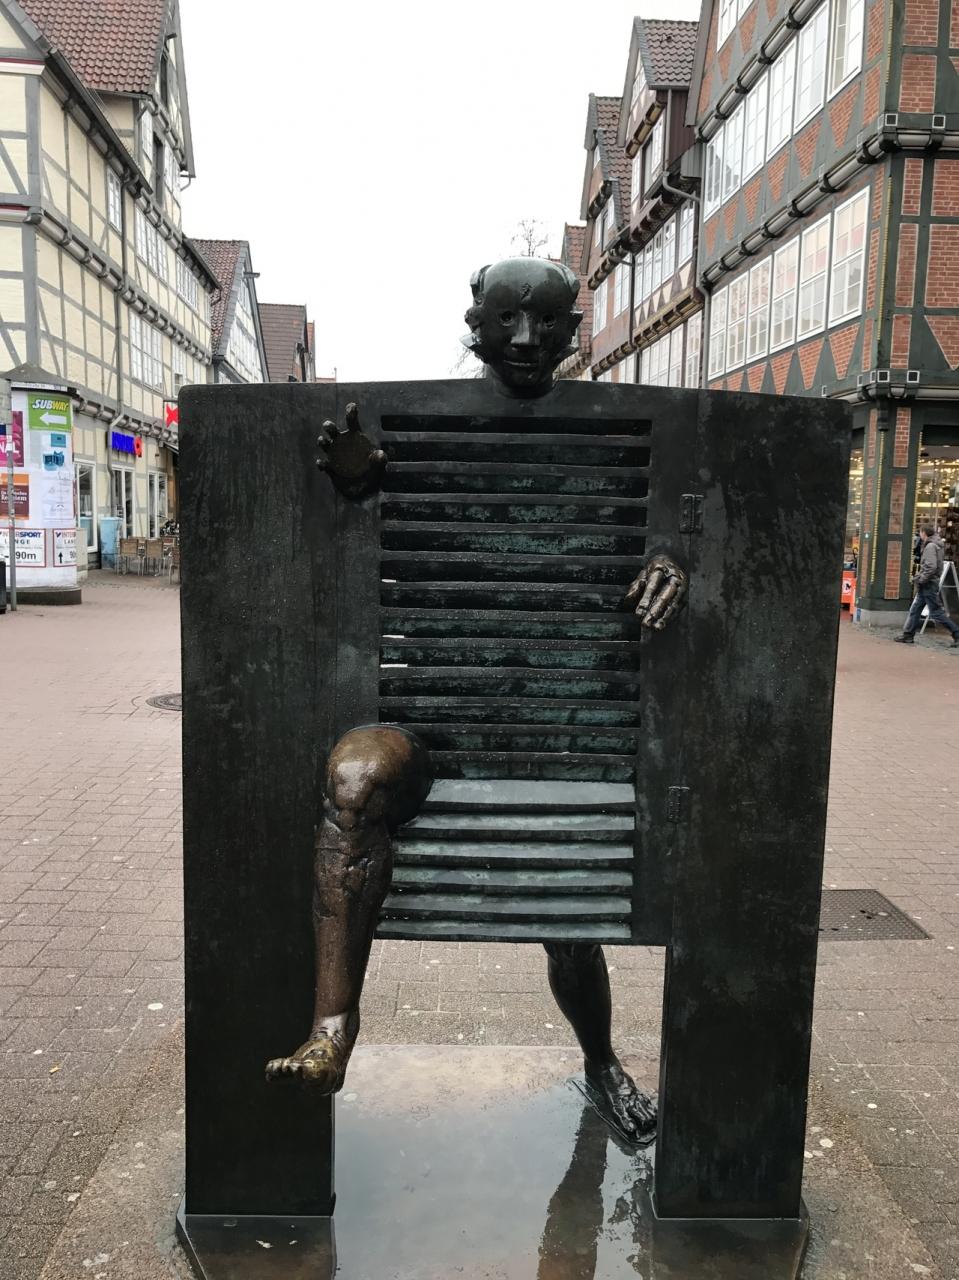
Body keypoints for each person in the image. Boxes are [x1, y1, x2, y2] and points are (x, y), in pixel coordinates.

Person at [267, 258, 688, 1143]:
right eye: (507, 320)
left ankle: (601, 1061)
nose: (526, 340)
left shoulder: (612, 442)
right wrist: (358, 486)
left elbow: (679, 518)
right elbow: (352, 510)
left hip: (557, 734)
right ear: (477, 323)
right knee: (353, 780)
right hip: (424, 728)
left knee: (569, 921)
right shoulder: (417, 437)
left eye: (545, 322)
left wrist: (672, 562)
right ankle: (332, 1031)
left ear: (573, 329)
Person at [894, 524, 959, 646]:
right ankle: (908, 635)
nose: (920, 535)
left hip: (928, 584)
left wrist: (921, 579)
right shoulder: (936, 544)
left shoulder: (930, 546)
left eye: (920, 532)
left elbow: (930, 567)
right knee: (916, 609)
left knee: (936, 612)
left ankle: (956, 633)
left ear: (924, 533)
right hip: (929, 583)